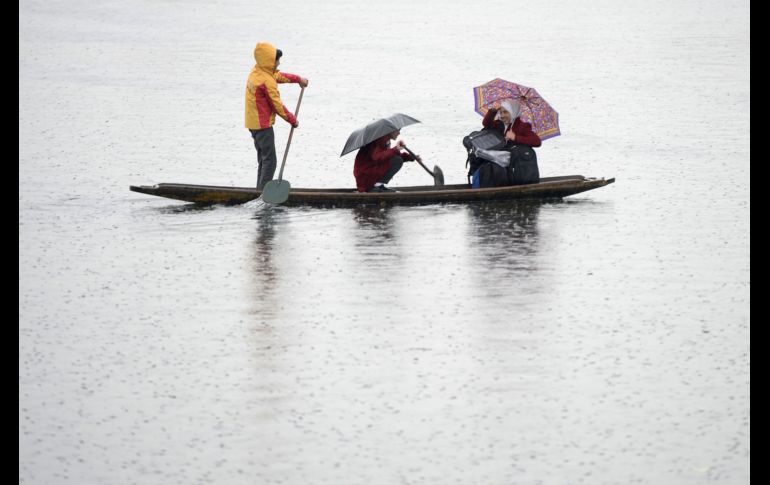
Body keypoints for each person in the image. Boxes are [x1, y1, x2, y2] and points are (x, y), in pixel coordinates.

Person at [245, 42, 308, 190]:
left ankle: (259, 190)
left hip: (253, 123)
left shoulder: (258, 71)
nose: (279, 63)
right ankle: (262, 195)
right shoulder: (266, 81)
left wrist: (298, 79)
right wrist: (293, 120)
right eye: (277, 60)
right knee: (270, 161)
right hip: (262, 125)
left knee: (263, 159)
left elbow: (279, 76)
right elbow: (277, 105)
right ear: (269, 61)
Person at [353, 130, 422, 192]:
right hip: (364, 175)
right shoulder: (379, 139)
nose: (399, 133)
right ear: (390, 130)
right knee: (397, 160)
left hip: (369, 171)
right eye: (397, 130)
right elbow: (377, 157)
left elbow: (389, 156)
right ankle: (376, 186)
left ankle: (378, 185)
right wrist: (396, 149)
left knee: (397, 159)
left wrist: (412, 157)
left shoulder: (385, 139)